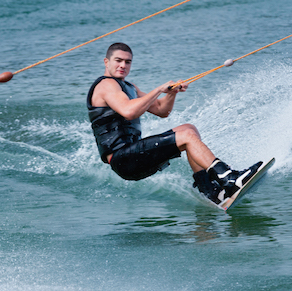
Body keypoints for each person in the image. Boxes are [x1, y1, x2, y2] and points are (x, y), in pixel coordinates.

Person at [87, 43, 261, 204]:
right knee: (185, 137)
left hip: (133, 156)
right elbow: (129, 111)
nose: (123, 65)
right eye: (118, 61)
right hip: (122, 159)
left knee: (188, 129)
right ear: (106, 61)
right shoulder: (106, 85)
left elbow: (162, 111)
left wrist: (171, 94)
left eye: (127, 62)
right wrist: (157, 90)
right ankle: (228, 178)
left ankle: (210, 190)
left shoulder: (129, 87)